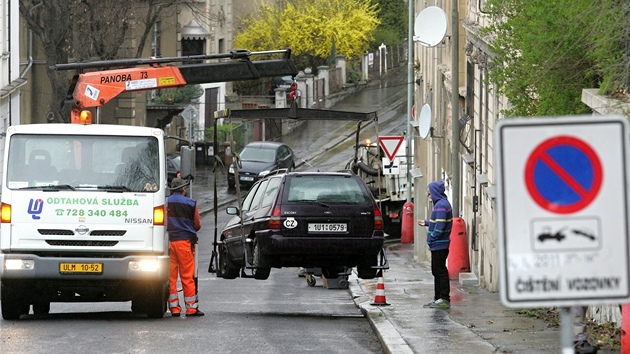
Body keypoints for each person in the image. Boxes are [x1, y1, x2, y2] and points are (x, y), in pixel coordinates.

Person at [167, 177, 204, 317]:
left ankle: (174, 308)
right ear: (183, 189)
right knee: (187, 276)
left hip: (168, 242)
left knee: (170, 277)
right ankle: (191, 308)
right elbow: (197, 225)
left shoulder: (165, 202)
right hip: (184, 243)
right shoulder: (191, 203)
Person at [418, 180, 452, 309]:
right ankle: (438, 298)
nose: (429, 197)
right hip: (440, 244)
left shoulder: (440, 206)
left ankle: (443, 298)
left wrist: (432, 238)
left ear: (435, 192)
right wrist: (427, 223)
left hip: (439, 244)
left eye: (430, 193)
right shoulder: (443, 204)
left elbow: (440, 226)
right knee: (436, 271)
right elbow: (438, 222)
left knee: (440, 271)